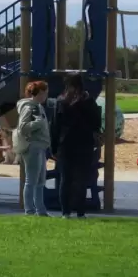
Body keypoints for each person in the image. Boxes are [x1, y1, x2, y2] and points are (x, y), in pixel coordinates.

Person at [51, 74, 101, 218]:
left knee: (65, 179)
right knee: (81, 179)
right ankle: (80, 212)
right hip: (84, 143)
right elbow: (96, 124)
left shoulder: (61, 101)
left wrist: (53, 147)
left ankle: (65, 212)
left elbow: (55, 125)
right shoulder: (88, 100)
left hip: (65, 143)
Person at [15, 80, 50, 217]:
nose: (46, 95)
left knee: (40, 180)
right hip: (33, 146)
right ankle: (29, 210)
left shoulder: (38, 106)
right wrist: (38, 123)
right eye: (44, 92)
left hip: (41, 146)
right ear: (39, 93)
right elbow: (23, 127)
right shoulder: (29, 107)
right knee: (31, 180)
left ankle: (40, 210)